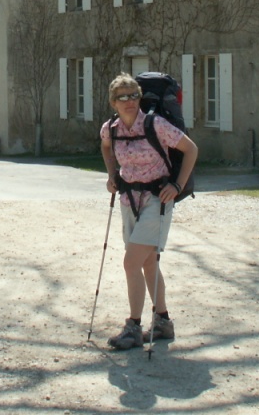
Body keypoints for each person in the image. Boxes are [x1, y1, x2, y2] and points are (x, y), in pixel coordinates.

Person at [99, 72, 198, 350]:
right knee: (147, 263)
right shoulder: (111, 129)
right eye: (122, 97)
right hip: (129, 200)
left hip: (157, 201)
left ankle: (133, 326)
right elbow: (106, 147)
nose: (129, 101)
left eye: (133, 95)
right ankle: (163, 321)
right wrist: (111, 175)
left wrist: (177, 185)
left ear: (140, 98)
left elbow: (190, 150)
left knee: (131, 262)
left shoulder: (157, 125)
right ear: (113, 102)